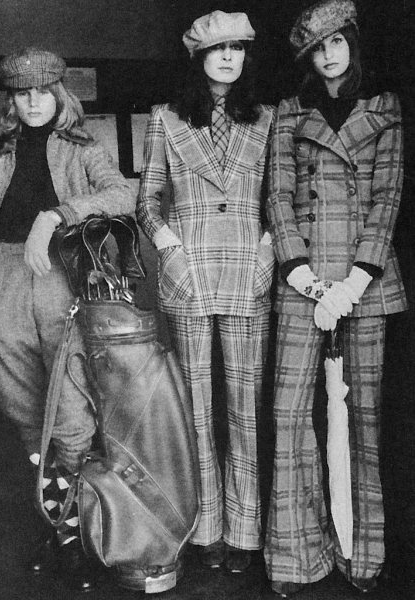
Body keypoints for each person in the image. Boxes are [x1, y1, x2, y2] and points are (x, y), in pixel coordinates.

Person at [0, 47, 136, 592]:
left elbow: (123, 195)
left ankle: (79, 533)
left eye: (43, 92)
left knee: (71, 409)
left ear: (60, 95)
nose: (34, 102)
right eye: (22, 93)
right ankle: (59, 525)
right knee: (25, 411)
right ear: (12, 101)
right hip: (1, 283)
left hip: (60, 277)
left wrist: (55, 216)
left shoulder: (83, 149)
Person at [263, 1, 407, 596]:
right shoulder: (289, 112)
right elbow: (277, 197)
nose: (329, 55)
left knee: (365, 419)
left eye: (337, 42)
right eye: (318, 48)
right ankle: (297, 558)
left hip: (365, 283)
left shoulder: (384, 108)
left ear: (352, 43)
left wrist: (353, 282)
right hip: (303, 281)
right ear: (307, 57)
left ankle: (363, 554)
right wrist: (303, 277)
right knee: (288, 415)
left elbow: (388, 199)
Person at [137, 10, 275, 574]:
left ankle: (244, 532)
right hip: (189, 273)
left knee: (245, 408)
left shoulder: (266, 118)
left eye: (237, 49)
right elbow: (147, 200)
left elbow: (278, 196)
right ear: (198, 58)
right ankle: (207, 529)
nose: (228, 58)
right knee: (196, 408)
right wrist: (168, 245)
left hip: (247, 272)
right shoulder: (166, 118)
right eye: (218, 49)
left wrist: (267, 248)